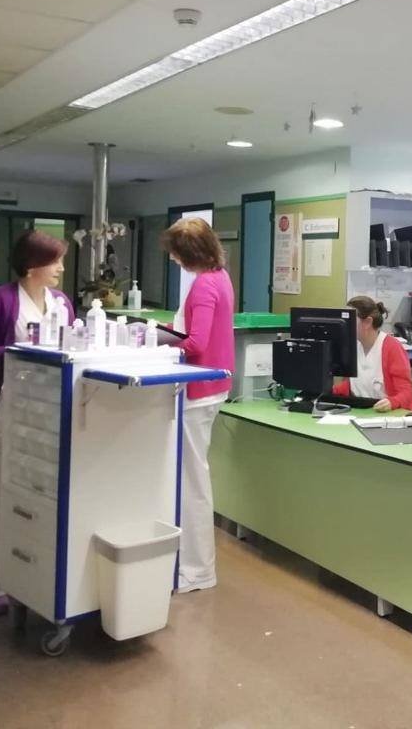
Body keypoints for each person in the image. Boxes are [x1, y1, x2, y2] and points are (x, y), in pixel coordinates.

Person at [0, 230, 74, 615]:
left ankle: (30, 578)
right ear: (33, 265)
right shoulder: (2, 301)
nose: (61, 268)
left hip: (43, 419)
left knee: (37, 502)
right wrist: (13, 354)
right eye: (55, 261)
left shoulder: (62, 304)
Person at [162, 217, 235, 593]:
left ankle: (196, 571)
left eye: (176, 252)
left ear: (189, 252)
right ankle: (191, 565)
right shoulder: (219, 276)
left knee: (192, 481)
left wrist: (156, 342)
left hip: (199, 389)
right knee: (193, 477)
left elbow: (197, 343)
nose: (172, 258)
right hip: (211, 386)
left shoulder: (205, 285)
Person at [332, 296, 412, 412]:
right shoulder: (354, 347)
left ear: (367, 322)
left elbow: (406, 392)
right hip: (365, 412)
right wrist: (324, 391)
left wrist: (392, 402)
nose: (345, 324)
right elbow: (354, 385)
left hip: (395, 415)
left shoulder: (392, 347)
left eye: (350, 320)